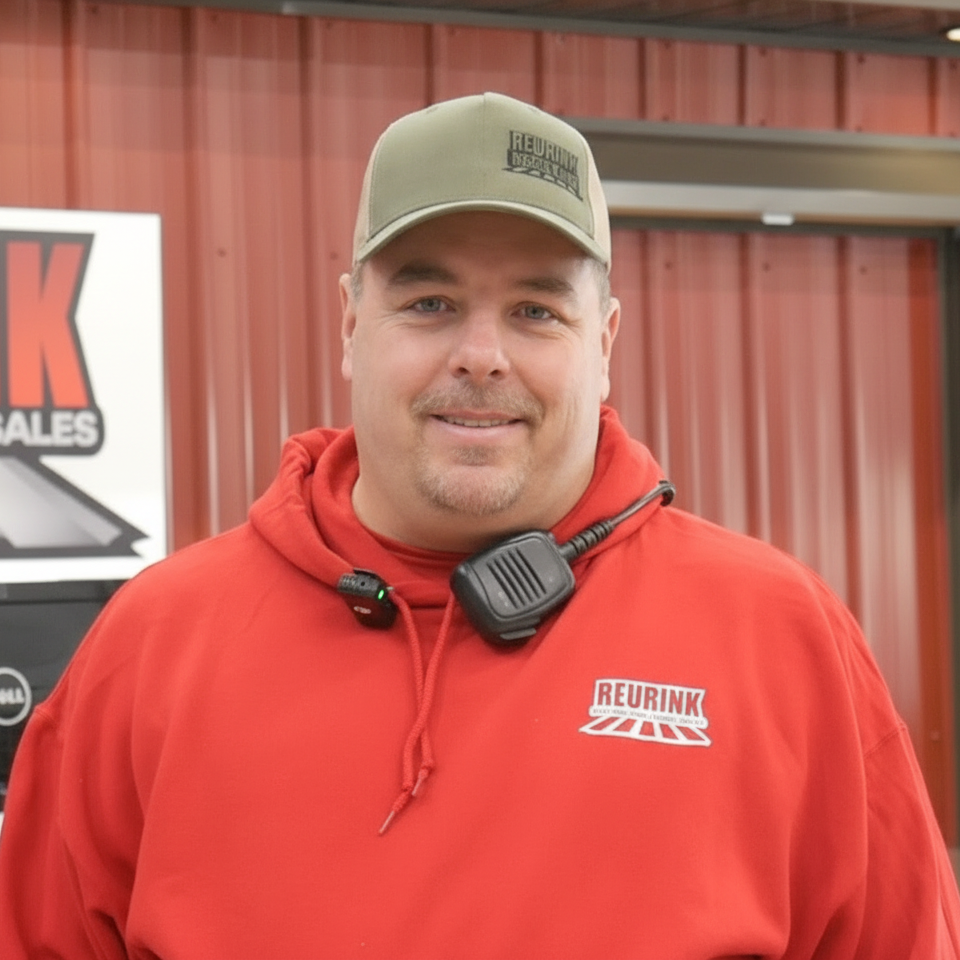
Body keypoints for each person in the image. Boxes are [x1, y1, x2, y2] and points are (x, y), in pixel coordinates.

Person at [0, 91, 957, 960]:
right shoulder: (153, 643)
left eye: (537, 310)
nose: (482, 356)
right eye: (431, 302)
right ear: (348, 322)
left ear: (607, 341)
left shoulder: (781, 639)